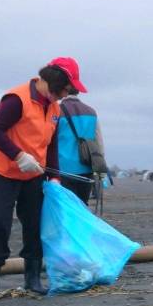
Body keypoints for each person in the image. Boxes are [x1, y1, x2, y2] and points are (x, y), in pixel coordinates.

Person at [0, 59, 81, 294]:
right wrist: (18, 156)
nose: (66, 95)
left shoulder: (54, 107)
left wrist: (54, 175)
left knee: (34, 224)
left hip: (33, 174)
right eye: (66, 89)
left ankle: (32, 278)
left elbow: (51, 142)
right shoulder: (17, 99)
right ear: (55, 82)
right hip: (1, 171)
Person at [54, 70, 105, 205]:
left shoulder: (56, 111)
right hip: (86, 168)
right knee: (82, 207)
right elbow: (99, 143)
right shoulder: (91, 112)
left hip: (63, 169)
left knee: (66, 208)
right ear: (78, 91)